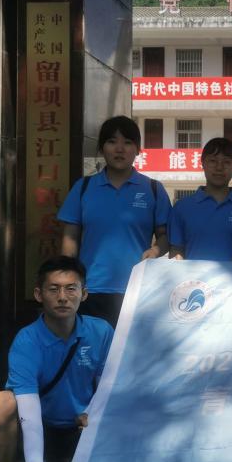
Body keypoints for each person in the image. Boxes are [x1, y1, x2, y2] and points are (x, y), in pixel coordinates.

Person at [0, 256, 114, 462]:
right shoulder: (27, 341)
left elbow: (109, 386)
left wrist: (94, 413)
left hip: (82, 426)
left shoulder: (101, 331)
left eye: (71, 288)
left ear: (84, 294)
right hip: (41, 424)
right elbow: (29, 416)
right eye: (53, 289)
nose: (63, 297)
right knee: (1, 403)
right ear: (38, 294)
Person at [58, 116, 170, 327]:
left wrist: (155, 251)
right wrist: (68, 281)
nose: (119, 149)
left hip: (138, 291)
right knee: (91, 347)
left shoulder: (153, 189)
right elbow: (70, 237)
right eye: (111, 142)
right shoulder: (84, 187)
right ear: (101, 148)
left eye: (127, 142)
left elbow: (165, 236)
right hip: (88, 291)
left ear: (138, 149)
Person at [169, 138, 232, 261]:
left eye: (226, 162)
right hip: (193, 274)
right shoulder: (182, 207)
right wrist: (177, 258)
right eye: (213, 161)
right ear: (203, 164)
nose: (219, 167)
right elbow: (176, 249)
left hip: (231, 274)